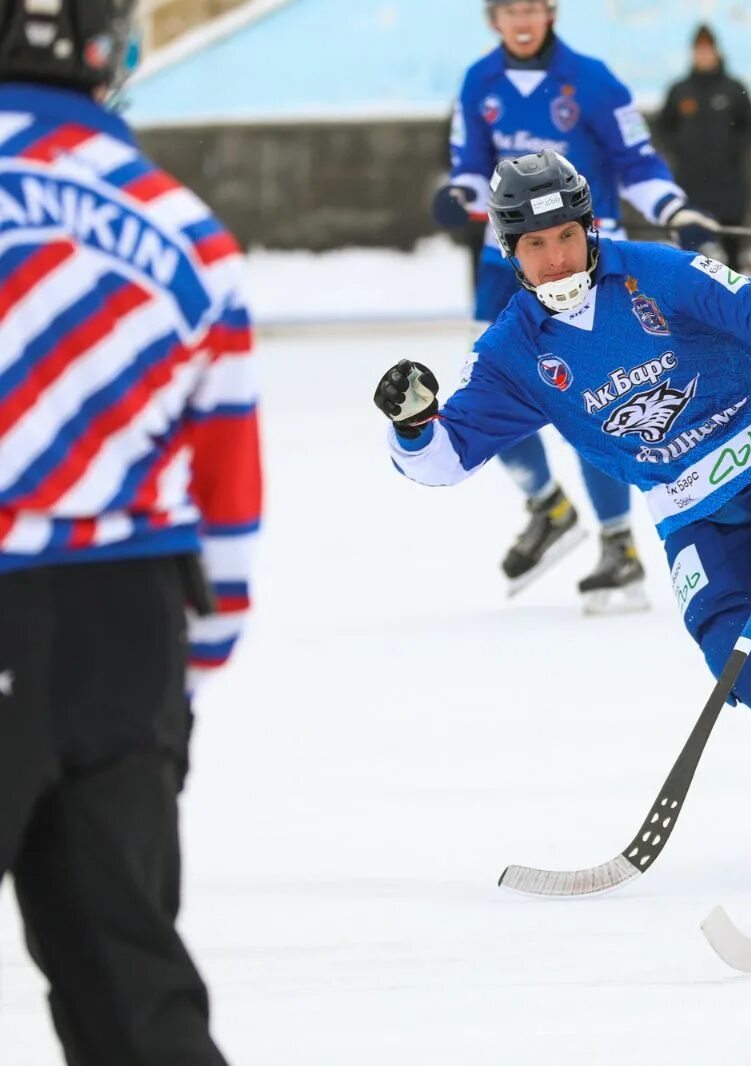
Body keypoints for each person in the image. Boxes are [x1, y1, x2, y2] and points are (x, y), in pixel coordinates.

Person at [377, 152, 751, 867]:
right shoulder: (514, 348)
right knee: (740, 662)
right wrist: (413, 424)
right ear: (510, 253)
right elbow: (447, 457)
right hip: (692, 512)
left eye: (566, 235)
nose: (556, 258)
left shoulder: (655, 274)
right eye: (534, 246)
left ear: (591, 229)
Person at [0, 0, 260, 1059]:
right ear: (110, 53)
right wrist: (193, 661)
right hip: (128, 617)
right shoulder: (184, 226)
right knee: (127, 968)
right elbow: (228, 476)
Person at [435, 0, 713, 608]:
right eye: (510, 9)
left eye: (533, 5)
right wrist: (458, 194)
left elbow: (635, 161)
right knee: (488, 385)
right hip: (504, 262)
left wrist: (674, 209)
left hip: (582, 262)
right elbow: (472, 167)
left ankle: (619, 545)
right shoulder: (479, 82)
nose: (523, 18)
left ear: (551, 11)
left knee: (594, 397)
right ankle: (547, 506)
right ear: (494, 19)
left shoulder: (593, 80)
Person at [656, 24, 751, 270]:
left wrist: (731, 150)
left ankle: (734, 299)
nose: (703, 56)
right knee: (690, 249)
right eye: (698, 51)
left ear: (716, 52)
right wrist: (681, 148)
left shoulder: (733, 88)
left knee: (731, 245)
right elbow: (663, 127)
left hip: (728, 183)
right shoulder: (680, 91)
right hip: (691, 183)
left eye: (707, 50)